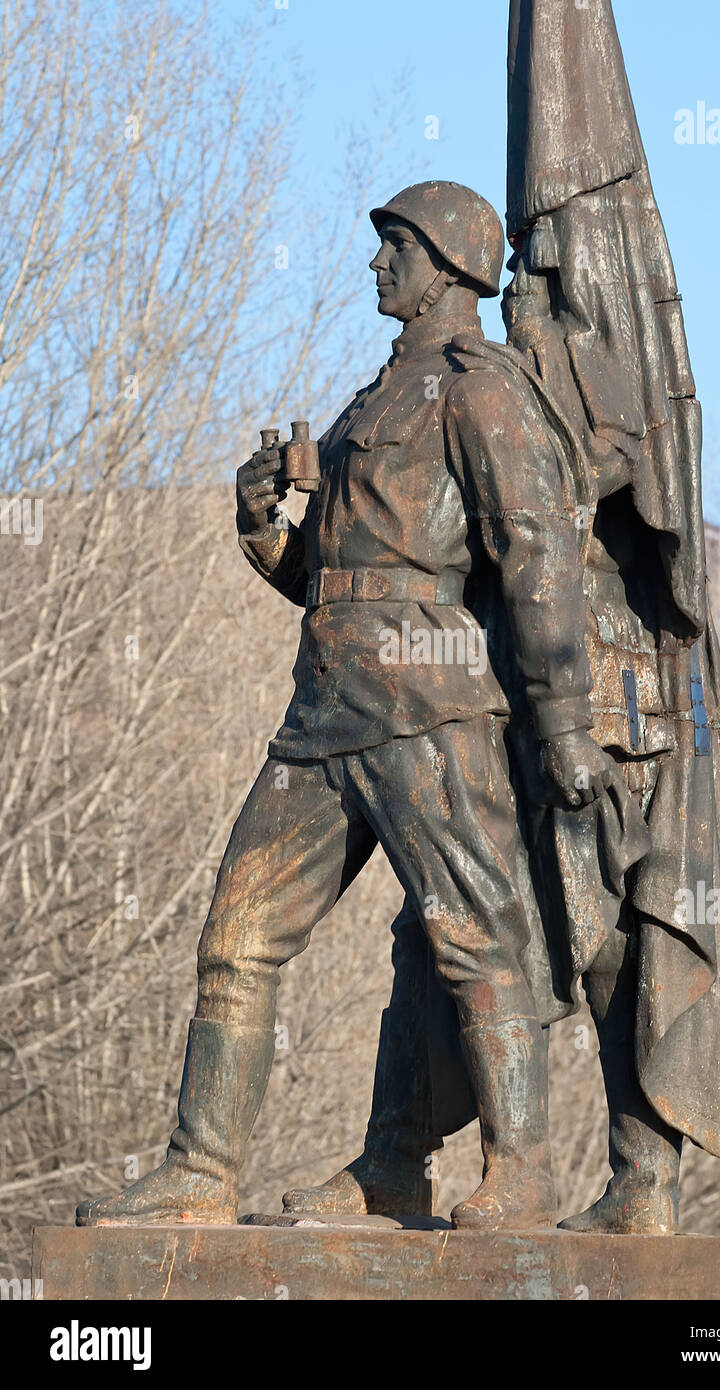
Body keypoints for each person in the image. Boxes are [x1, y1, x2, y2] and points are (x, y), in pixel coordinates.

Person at [75, 181, 610, 1233]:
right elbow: (326, 574)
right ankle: (200, 1169)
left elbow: (537, 555)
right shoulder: (372, 397)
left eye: (392, 248)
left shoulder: (480, 387)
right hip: (324, 706)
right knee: (237, 930)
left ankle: (522, 1167)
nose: (374, 266)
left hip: (428, 705)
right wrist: (260, 522)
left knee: (473, 937)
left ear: (448, 263)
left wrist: (560, 719)